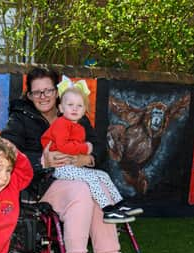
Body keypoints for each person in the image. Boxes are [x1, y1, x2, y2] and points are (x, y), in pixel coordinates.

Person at [2, 66, 148, 253]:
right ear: (28, 95)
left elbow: (99, 147)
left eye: (48, 90)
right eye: (36, 92)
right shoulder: (20, 117)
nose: (43, 97)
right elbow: (9, 151)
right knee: (83, 189)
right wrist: (42, 160)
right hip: (41, 184)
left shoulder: (73, 110)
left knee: (92, 186)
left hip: (78, 175)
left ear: (57, 91)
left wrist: (87, 158)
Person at [40, 75, 143, 223]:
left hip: (70, 165)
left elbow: (78, 149)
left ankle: (120, 205)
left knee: (103, 175)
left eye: (79, 106)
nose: (75, 109)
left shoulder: (79, 127)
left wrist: (85, 152)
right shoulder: (61, 124)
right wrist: (85, 148)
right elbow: (63, 146)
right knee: (92, 178)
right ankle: (108, 210)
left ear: (84, 111)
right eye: (70, 105)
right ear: (61, 108)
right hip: (59, 167)